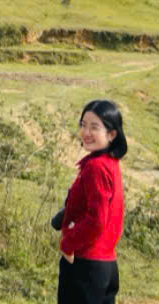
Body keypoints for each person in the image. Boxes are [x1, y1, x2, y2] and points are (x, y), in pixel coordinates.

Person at [53, 99, 127, 304]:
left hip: (86, 265)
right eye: (83, 125)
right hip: (106, 264)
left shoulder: (96, 168)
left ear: (112, 134)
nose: (86, 132)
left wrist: (68, 244)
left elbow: (97, 220)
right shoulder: (110, 164)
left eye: (94, 127)